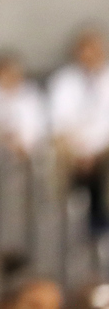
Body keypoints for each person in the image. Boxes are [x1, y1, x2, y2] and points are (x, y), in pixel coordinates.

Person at [48, 27, 109, 230]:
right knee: (54, 152)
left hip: (103, 146)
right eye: (85, 50)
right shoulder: (63, 81)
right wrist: (81, 150)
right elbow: (59, 121)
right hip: (72, 146)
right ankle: (62, 219)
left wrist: (95, 150)